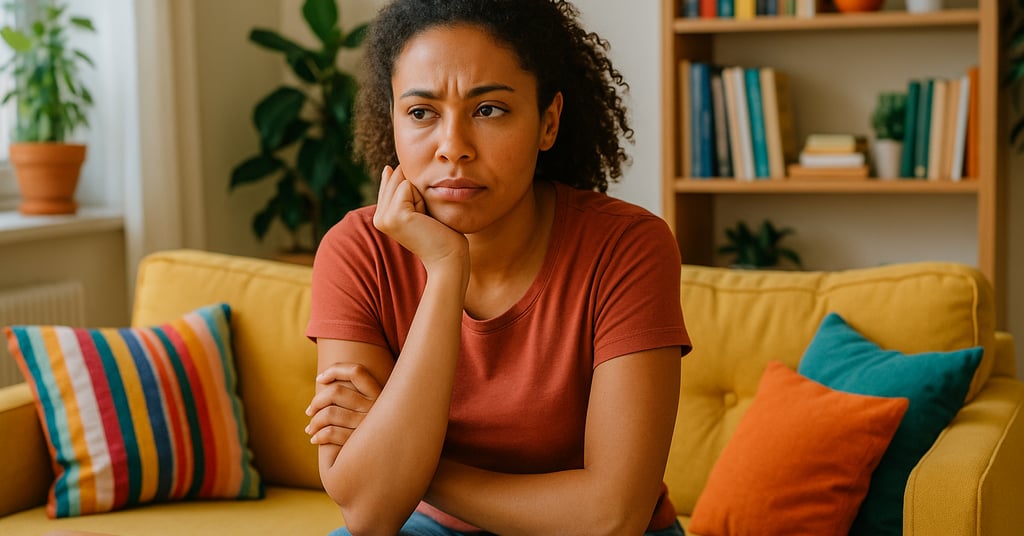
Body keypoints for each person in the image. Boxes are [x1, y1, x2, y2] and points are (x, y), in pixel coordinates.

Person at [304, 0, 691, 534]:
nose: (453, 148)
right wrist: (444, 269)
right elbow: (369, 513)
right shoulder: (357, 251)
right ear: (390, 120)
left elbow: (612, 515)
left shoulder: (627, 247)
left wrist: (410, 462)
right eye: (421, 113)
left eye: (489, 110)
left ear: (547, 122)